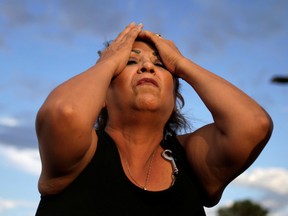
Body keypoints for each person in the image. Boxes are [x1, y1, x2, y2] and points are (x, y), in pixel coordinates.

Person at [35, 22, 273, 215]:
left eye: (160, 65)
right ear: (101, 94)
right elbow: (64, 112)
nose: (147, 66)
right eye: (130, 61)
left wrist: (181, 63)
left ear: (174, 96)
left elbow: (254, 124)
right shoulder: (79, 152)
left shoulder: (191, 158)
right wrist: (108, 61)